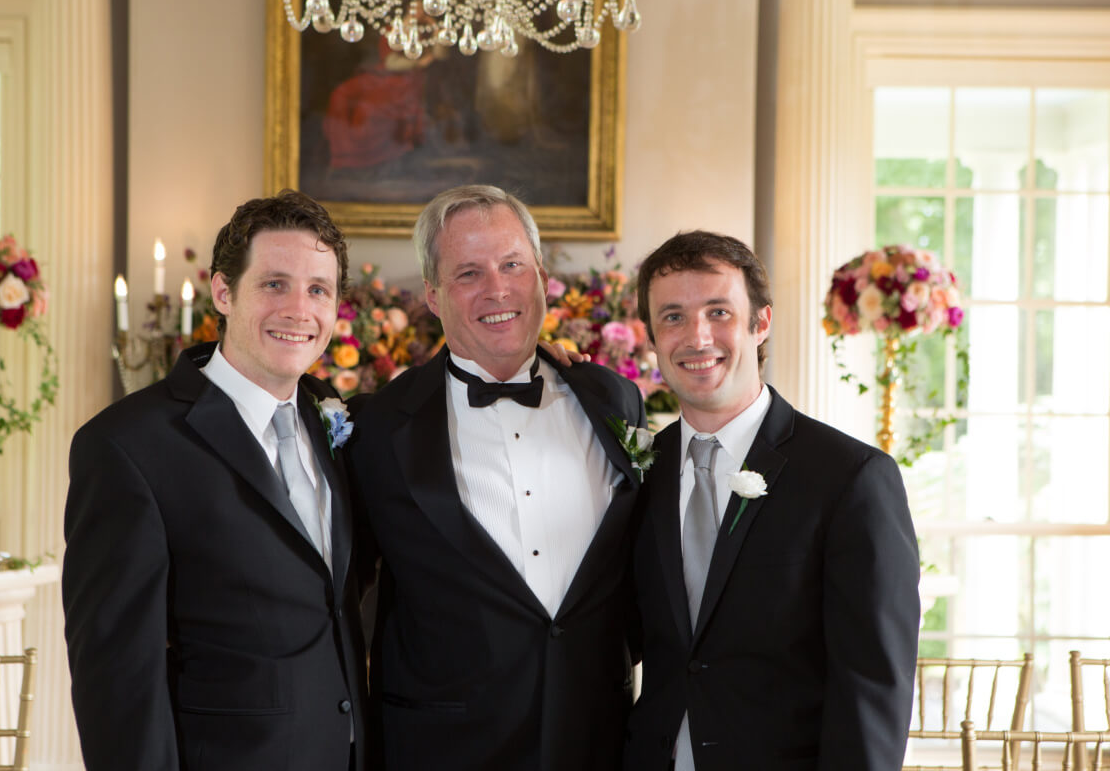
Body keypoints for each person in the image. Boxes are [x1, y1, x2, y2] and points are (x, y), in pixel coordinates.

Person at [63, 190, 371, 771]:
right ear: (224, 292)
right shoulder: (127, 445)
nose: (299, 310)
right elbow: (118, 677)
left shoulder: (332, 416)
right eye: (275, 284)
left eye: (318, 290)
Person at [346, 184, 647, 770]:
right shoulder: (377, 427)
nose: (498, 289)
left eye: (512, 265)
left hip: (596, 740)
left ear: (541, 276)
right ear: (432, 295)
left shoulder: (614, 400)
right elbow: (339, 592)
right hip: (442, 749)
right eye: (468, 273)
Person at [624, 231, 919, 771]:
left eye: (718, 312)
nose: (697, 336)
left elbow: (873, 685)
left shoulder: (851, 478)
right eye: (673, 317)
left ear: (761, 322)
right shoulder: (637, 473)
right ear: (652, 336)